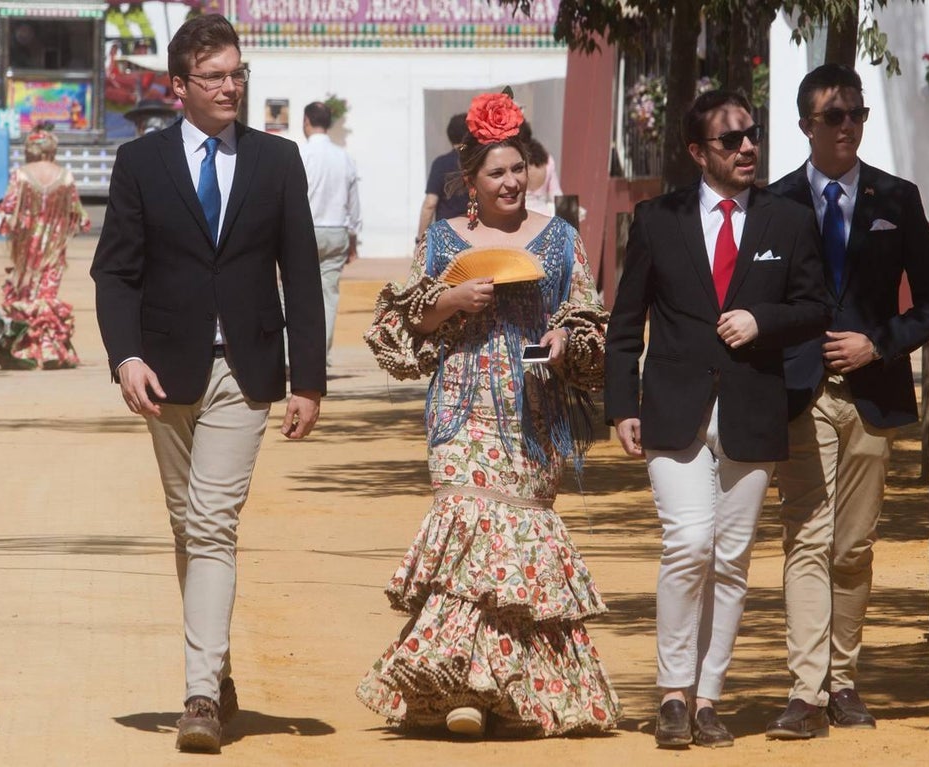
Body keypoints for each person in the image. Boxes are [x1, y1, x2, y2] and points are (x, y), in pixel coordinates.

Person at [90, 14, 326, 754]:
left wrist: (309, 379)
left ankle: (197, 694)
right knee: (185, 523)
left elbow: (302, 274)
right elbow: (114, 272)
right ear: (180, 86)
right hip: (164, 372)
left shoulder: (277, 160)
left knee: (213, 522)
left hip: (244, 370)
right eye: (215, 76)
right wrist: (125, 357)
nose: (231, 87)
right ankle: (216, 668)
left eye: (237, 73)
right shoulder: (140, 162)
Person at [359, 87, 620, 739]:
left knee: (513, 545)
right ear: (469, 182)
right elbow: (398, 325)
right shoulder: (443, 240)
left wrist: (564, 339)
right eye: (496, 172)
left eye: (518, 168)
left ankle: (504, 691)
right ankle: (463, 687)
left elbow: (590, 319)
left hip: (534, 415)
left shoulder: (560, 238)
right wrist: (450, 301)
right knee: (470, 531)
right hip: (461, 411)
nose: (510, 181)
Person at [604, 88, 829, 749]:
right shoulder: (657, 218)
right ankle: (671, 692)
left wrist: (764, 320)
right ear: (698, 152)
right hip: (673, 409)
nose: (748, 147)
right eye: (731, 139)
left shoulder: (789, 220)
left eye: (752, 134)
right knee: (689, 543)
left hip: (753, 409)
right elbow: (625, 323)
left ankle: (706, 701)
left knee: (731, 559)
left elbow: (816, 307)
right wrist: (621, 405)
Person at [764, 63, 929, 739]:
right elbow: (757, 301)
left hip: (873, 394)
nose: (847, 126)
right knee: (807, 537)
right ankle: (807, 692)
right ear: (805, 125)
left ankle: (843, 680)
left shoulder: (896, 198)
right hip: (802, 393)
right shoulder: (775, 203)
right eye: (833, 116)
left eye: (857, 113)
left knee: (852, 545)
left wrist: (878, 343)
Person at [0, 127, 90, 370]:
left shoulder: (21, 174)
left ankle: (24, 347)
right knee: (47, 295)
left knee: (26, 293)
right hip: (55, 245)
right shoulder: (65, 176)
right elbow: (77, 215)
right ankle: (49, 350)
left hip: (27, 246)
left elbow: (9, 210)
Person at [301, 100, 362, 366]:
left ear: (306, 121)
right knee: (328, 296)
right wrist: (353, 237)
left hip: (305, 230)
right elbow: (354, 202)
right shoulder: (344, 157)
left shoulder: (300, 154)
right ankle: (318, 355)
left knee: (294, 293)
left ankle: (292, 354)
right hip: (337, 230)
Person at [415, 112, 469, 240]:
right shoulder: (479, 163)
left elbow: (430, 203)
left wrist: (420, 240)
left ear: (450, 136)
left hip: (446, 237)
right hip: (475, 233)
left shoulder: (441, 163)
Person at [522, 122, 562, 217]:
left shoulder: (513, 163)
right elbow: (556, 194)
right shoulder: (547, 160)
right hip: (544, 215)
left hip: (520, 217)